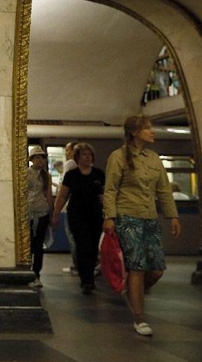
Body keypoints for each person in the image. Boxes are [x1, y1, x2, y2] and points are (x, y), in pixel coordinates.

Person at [103, 115, 181, 336]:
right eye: (147, 128)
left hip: (150, 218)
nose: (152, 131)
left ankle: (132, 292)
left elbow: (164, 189)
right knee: (136, 267)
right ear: (134, 133)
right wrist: (109, 217)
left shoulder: (154, 158)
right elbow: (110, 190)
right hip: (127, 217)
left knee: (156, 269)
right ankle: (139, 317)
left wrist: (173, 216)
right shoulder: (118, 157)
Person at [51, 142, 105, 294]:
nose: (87, 158)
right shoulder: (71, 175)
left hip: (95, 215)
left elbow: (104, 194)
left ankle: (90, 275)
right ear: (77, 157)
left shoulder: (98, 174)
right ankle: (86, 280)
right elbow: (62, 195)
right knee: (82, 245)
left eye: (89, 155)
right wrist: (56, 213)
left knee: (93, 247)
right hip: (77, 215)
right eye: (84, 155)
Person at [27, 145, 53, 288]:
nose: (40, 160)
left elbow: (48, 195)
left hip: (42, 211)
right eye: (37, 157)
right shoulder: (26, 173)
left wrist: (52, 213)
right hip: (28, 212)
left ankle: (36, 273)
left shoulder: (46, 175)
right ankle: (27, 271)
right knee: (28, 243)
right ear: (31, 159)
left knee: (39, 245)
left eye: (42, 157)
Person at [61, 142, 79, 276]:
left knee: (72, 236)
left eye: (68, 150)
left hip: (71, 206)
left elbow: (65, 187)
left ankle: (76, 265)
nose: (66, 152)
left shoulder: (70, 164)